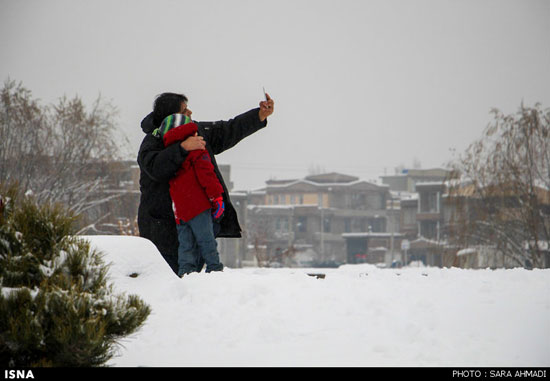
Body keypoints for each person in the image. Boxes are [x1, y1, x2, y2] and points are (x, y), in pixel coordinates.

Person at [137, 91, 274, 274]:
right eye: (185, 110)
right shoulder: (152, 142)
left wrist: (259, 115)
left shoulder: (195, 132)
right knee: (171, 281)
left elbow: (227, 130)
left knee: (194, 278)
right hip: (163, 229)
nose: (190, 112)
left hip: (197, 218)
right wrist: (182, 148)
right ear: (172, 115)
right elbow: (156, 168)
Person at [157, 113, 225, 276]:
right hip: (198, 205)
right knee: (206, 239)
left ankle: (186, 271)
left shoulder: (171, 154)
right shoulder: (197, 152)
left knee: (185, 243)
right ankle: (214, 267)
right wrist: (217, 197)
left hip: (179, 208)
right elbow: (206, 175)